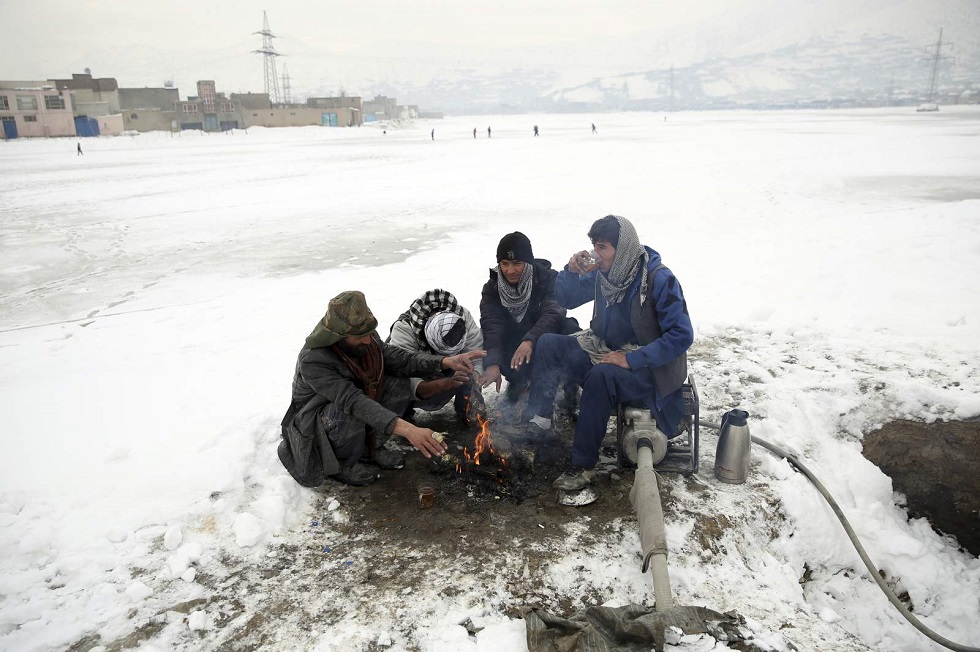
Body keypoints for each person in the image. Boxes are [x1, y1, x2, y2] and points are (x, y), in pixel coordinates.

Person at [523, 215, 693, 491]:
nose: (596, 254)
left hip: (649, 370)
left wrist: (631, 359)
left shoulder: (659, 279)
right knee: (550, 344)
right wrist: (570, 270)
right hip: (606, 351)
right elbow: (566, 299)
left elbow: (682, 335)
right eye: (594, 246)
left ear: (622, 249)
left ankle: (582, 465)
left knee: (601, 376)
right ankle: (539, 423)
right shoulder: (604, 275)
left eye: (602, 247)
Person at [279, 291, 484, 487]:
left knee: (398, 381)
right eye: (360, 337)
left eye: (369, 334)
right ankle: (343, 463)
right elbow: (352, 401)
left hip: (355, 401)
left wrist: (445, 361)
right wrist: (409, 430)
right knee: (343, 411)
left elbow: (400, 359)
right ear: (338, 335)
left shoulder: (365, 336)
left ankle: (372, 447)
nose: (368, 341)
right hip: (318, 419)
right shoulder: (314, 359)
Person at [478, 232, 574, 405]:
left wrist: (530, 340)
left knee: (569, 330)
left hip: (542, 342)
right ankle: (518, 382)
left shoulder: (549, 278)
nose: (510, 270)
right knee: (489, 337)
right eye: (504, 264)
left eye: (517, 263)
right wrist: (492, 363)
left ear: (528, 262)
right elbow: (492, 325)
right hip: (515, 350)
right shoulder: (492, 288)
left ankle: (570, 387)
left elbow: (554, 312)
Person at [387, 289, 484, 421]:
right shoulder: (404, 330)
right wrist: (447, 383)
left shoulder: (462, 317)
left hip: (452, 374)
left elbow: (476, 353)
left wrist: (475, 377)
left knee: (470, 376)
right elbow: (410, 384)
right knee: (393, 382)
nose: (449, 356)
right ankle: (404, 422)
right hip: (419, 380)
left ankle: (466, 413)